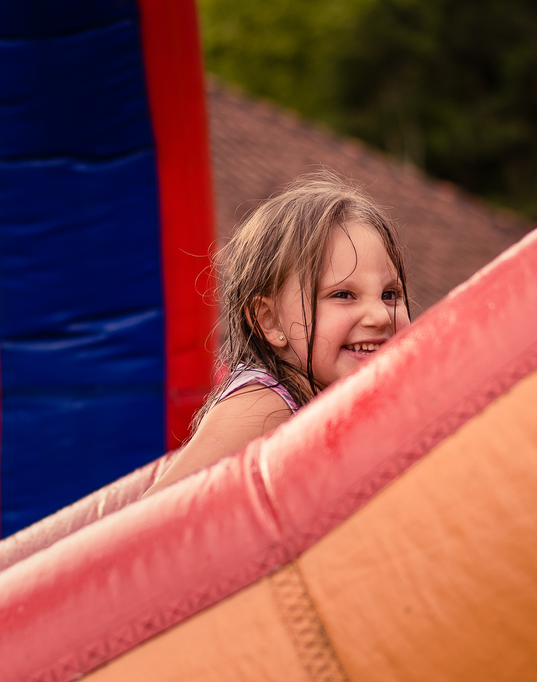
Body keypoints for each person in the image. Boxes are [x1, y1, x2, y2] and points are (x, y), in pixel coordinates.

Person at [144, 172, 411, 497]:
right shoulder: (263, 405)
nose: (380, 315)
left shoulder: (341, 395)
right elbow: (154, 520)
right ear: (269, 321)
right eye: (343, 295)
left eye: (390, 294)